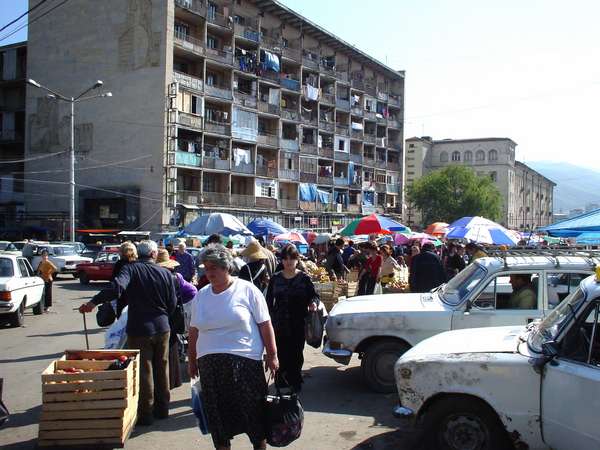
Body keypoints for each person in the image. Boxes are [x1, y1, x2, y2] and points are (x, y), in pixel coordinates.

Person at [188, 245, 278, 450]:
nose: (209, 272)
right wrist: (192, 361)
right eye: (207, 268)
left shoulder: (247, 290)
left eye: (214, 268)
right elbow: (193, 331)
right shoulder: (201, 296)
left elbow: (265, 324)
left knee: (253, 415)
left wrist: (272, 355)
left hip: (244, 364)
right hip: (210, 368)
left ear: (226, 267)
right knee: (218, 419)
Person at [78, 240, 177, 425]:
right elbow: (172, 304)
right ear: (154, 255)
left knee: (144, 370)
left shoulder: (131, 269)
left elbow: (116, 288)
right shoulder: (166, 273)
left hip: (140, 328)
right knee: (161, 368)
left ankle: (146, 414)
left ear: (138, 254)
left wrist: (93, 302)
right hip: (163, 327)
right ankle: (163, 410)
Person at [265, 244, 318, 392]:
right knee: (281, 352)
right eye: (285, 258)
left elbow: (314, 296)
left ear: (297, 259)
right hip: (279, 323)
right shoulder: (276, 279)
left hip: (298, 322)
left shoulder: (304, 278)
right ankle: (281, 380)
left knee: (296, 352)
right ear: (281, 260)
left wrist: (313, 303)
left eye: (291, 258)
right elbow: (268, 301)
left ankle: (295, 381)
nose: (288, 262)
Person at [156, 248, 197, 390]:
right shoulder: (174, 276)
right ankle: (172, 379)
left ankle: (170, 378)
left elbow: (191, 292)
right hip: (173, 312)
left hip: (176, 311)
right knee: (172, 344)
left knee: (173, 342)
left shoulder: (173, 277)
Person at [111, 242, 138, 318]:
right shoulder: (139, 264)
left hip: (123, 297)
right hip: (137, 299)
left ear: (121, 252)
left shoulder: (119, 264)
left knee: (122, 322)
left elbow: (114, 281)